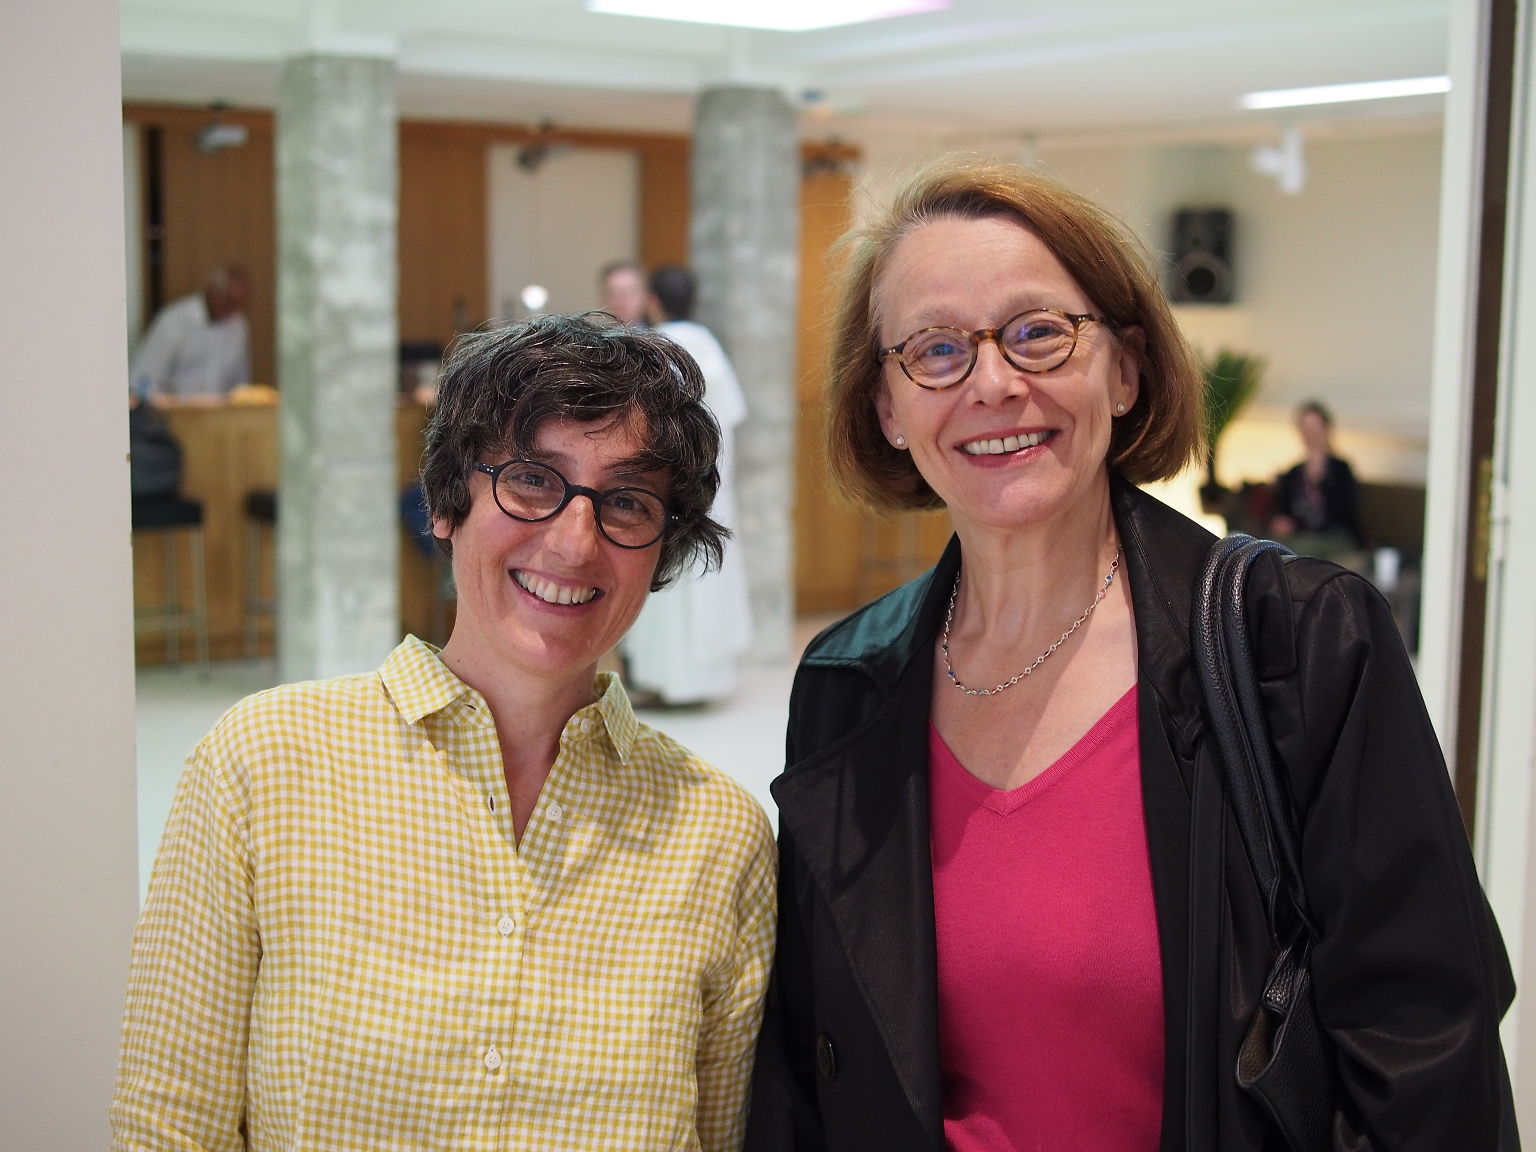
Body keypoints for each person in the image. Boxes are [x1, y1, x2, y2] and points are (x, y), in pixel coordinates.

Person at [745, 158, 1515, 1150]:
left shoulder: (1298, 644)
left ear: (1125, 368)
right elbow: (809, 1072)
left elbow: (1427, 1059)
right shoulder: (848, 684)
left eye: (1038, 333)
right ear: (888, 407)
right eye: (935, 350)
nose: (993, 383)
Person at [113, 313, 777, 1152]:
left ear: (662, 550)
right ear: (446, 503)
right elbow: (168, 1125)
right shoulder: (264, 764)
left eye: (627, 501)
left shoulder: (719, 837)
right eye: (532, 479)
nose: (575, 542)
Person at [623, 264, 753, 706]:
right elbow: (733, 415)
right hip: (714, 490)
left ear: (653, 301)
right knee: (707, 577)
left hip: (671, 485)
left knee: (671, 577)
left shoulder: (659, 348)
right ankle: (704, 682)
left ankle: (665, 681)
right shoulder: (708, 345)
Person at [130, 264, 252, 400]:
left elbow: (241, 384)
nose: (232, 310)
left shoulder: (237, 324)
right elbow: (142, 379)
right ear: (213, 291)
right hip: (175, 409)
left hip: (221, 410)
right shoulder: (174, 321)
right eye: (229, 301)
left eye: (238, 305)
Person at [1269, 398, 1365, 550]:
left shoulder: (1341, 469)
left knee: (1300, 548)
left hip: (1335, 538)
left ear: (1326, 429)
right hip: (1300, 538)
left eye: (1314, 426)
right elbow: (1283, 511)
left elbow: (1345, 512)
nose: (1310, 433)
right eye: (1305, 427)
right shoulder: (1294, 473)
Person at [600, 258, 650, 327]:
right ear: (603, 298)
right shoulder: (593, 333)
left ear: (645, 295)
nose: (622, 300)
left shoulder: (661, 331)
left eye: (631, 292)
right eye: (613, 293)